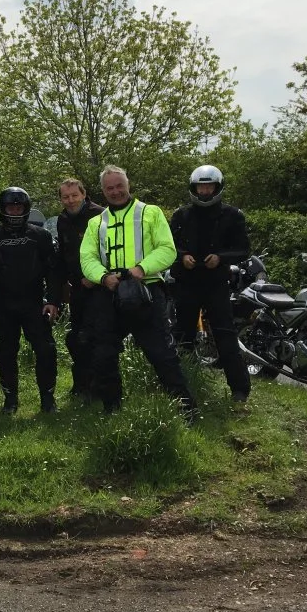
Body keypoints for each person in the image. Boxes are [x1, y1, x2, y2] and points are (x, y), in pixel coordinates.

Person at [79, 165, 197, 420]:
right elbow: (86, 258)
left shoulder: (150, 213)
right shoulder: (95, 222)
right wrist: (103, 277)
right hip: (108, 291)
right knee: (103, 353)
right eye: (109, 188)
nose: (115, 191)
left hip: (146, 289)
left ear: (128, 185)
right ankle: (112, 409)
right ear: (103, 191)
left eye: (119, 185)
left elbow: (167, 249)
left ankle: (186, 409)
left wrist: (141, 269)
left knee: (161, 353)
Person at [169, 164, 253, 403]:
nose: (204, 191)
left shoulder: (233, 215)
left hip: (217, 284)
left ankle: (239, 389)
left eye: (209, 186)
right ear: (193, 188)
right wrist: (182, 255)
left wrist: (222, 258)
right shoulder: (180, 215)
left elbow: (243, 249)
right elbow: (169, 245)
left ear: (217, 187)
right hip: (187, 283)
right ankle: (182, 385)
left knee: (225, 335)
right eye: (200, 187)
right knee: (183, 334)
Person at [0, 187, 63, 415]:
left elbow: (53, 272)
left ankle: (48, 400)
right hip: (3, 304)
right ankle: (10, 401)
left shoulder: (40, 236)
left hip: (35, 303)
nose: (15, 212)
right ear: (2, 210)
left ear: (26, 209)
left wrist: (53, 300)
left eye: (19, 208)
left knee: (46, 350)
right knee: (6, 352)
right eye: (10, 208)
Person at [55, 178, 103, 400]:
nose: (70, 200)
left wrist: (95, 277)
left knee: (94, 337)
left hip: (100, 286)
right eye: (66, 197)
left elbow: (109, 251)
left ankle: (98, 387)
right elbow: (64, 254)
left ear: (84, 194)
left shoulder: (101, 215)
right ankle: (80, 384)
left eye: (74, 195)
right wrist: (62, 283)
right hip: (77, 287)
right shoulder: (62, 220)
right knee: (75, 337)